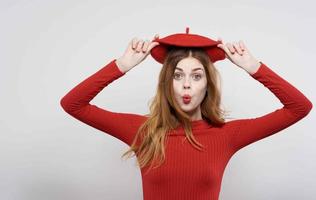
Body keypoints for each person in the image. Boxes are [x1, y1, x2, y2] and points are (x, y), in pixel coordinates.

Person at [60, 33, 313, 200]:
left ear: (207, 84)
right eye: (177, 75)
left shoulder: (228, 135)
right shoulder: (142, 131)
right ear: (167, 84)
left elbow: (299, 107)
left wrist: (254, 68)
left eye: (197, 76)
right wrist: (121, 65)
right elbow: (73, 104)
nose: (187, 85)